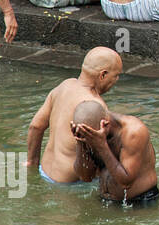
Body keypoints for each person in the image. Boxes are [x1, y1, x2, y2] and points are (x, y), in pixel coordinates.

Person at [26, 47, 121, 183]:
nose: (116, 80)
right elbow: (97, 157)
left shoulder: (64, 86)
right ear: (103, 75)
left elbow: (35, 126)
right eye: (116, 76)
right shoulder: (94, 105)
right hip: (71, 183)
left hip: (44, 171)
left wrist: (31, 162)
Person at [70, 100, 159, 205]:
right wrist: (81, 142)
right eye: (84, 134)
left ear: (105, 124)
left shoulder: (133, 132)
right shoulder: (89, 132)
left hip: (140, 202)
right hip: (106, 201)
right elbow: (86, 177)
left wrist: (101, 145)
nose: (89, 139)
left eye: (90, 135)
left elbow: (126, 182)